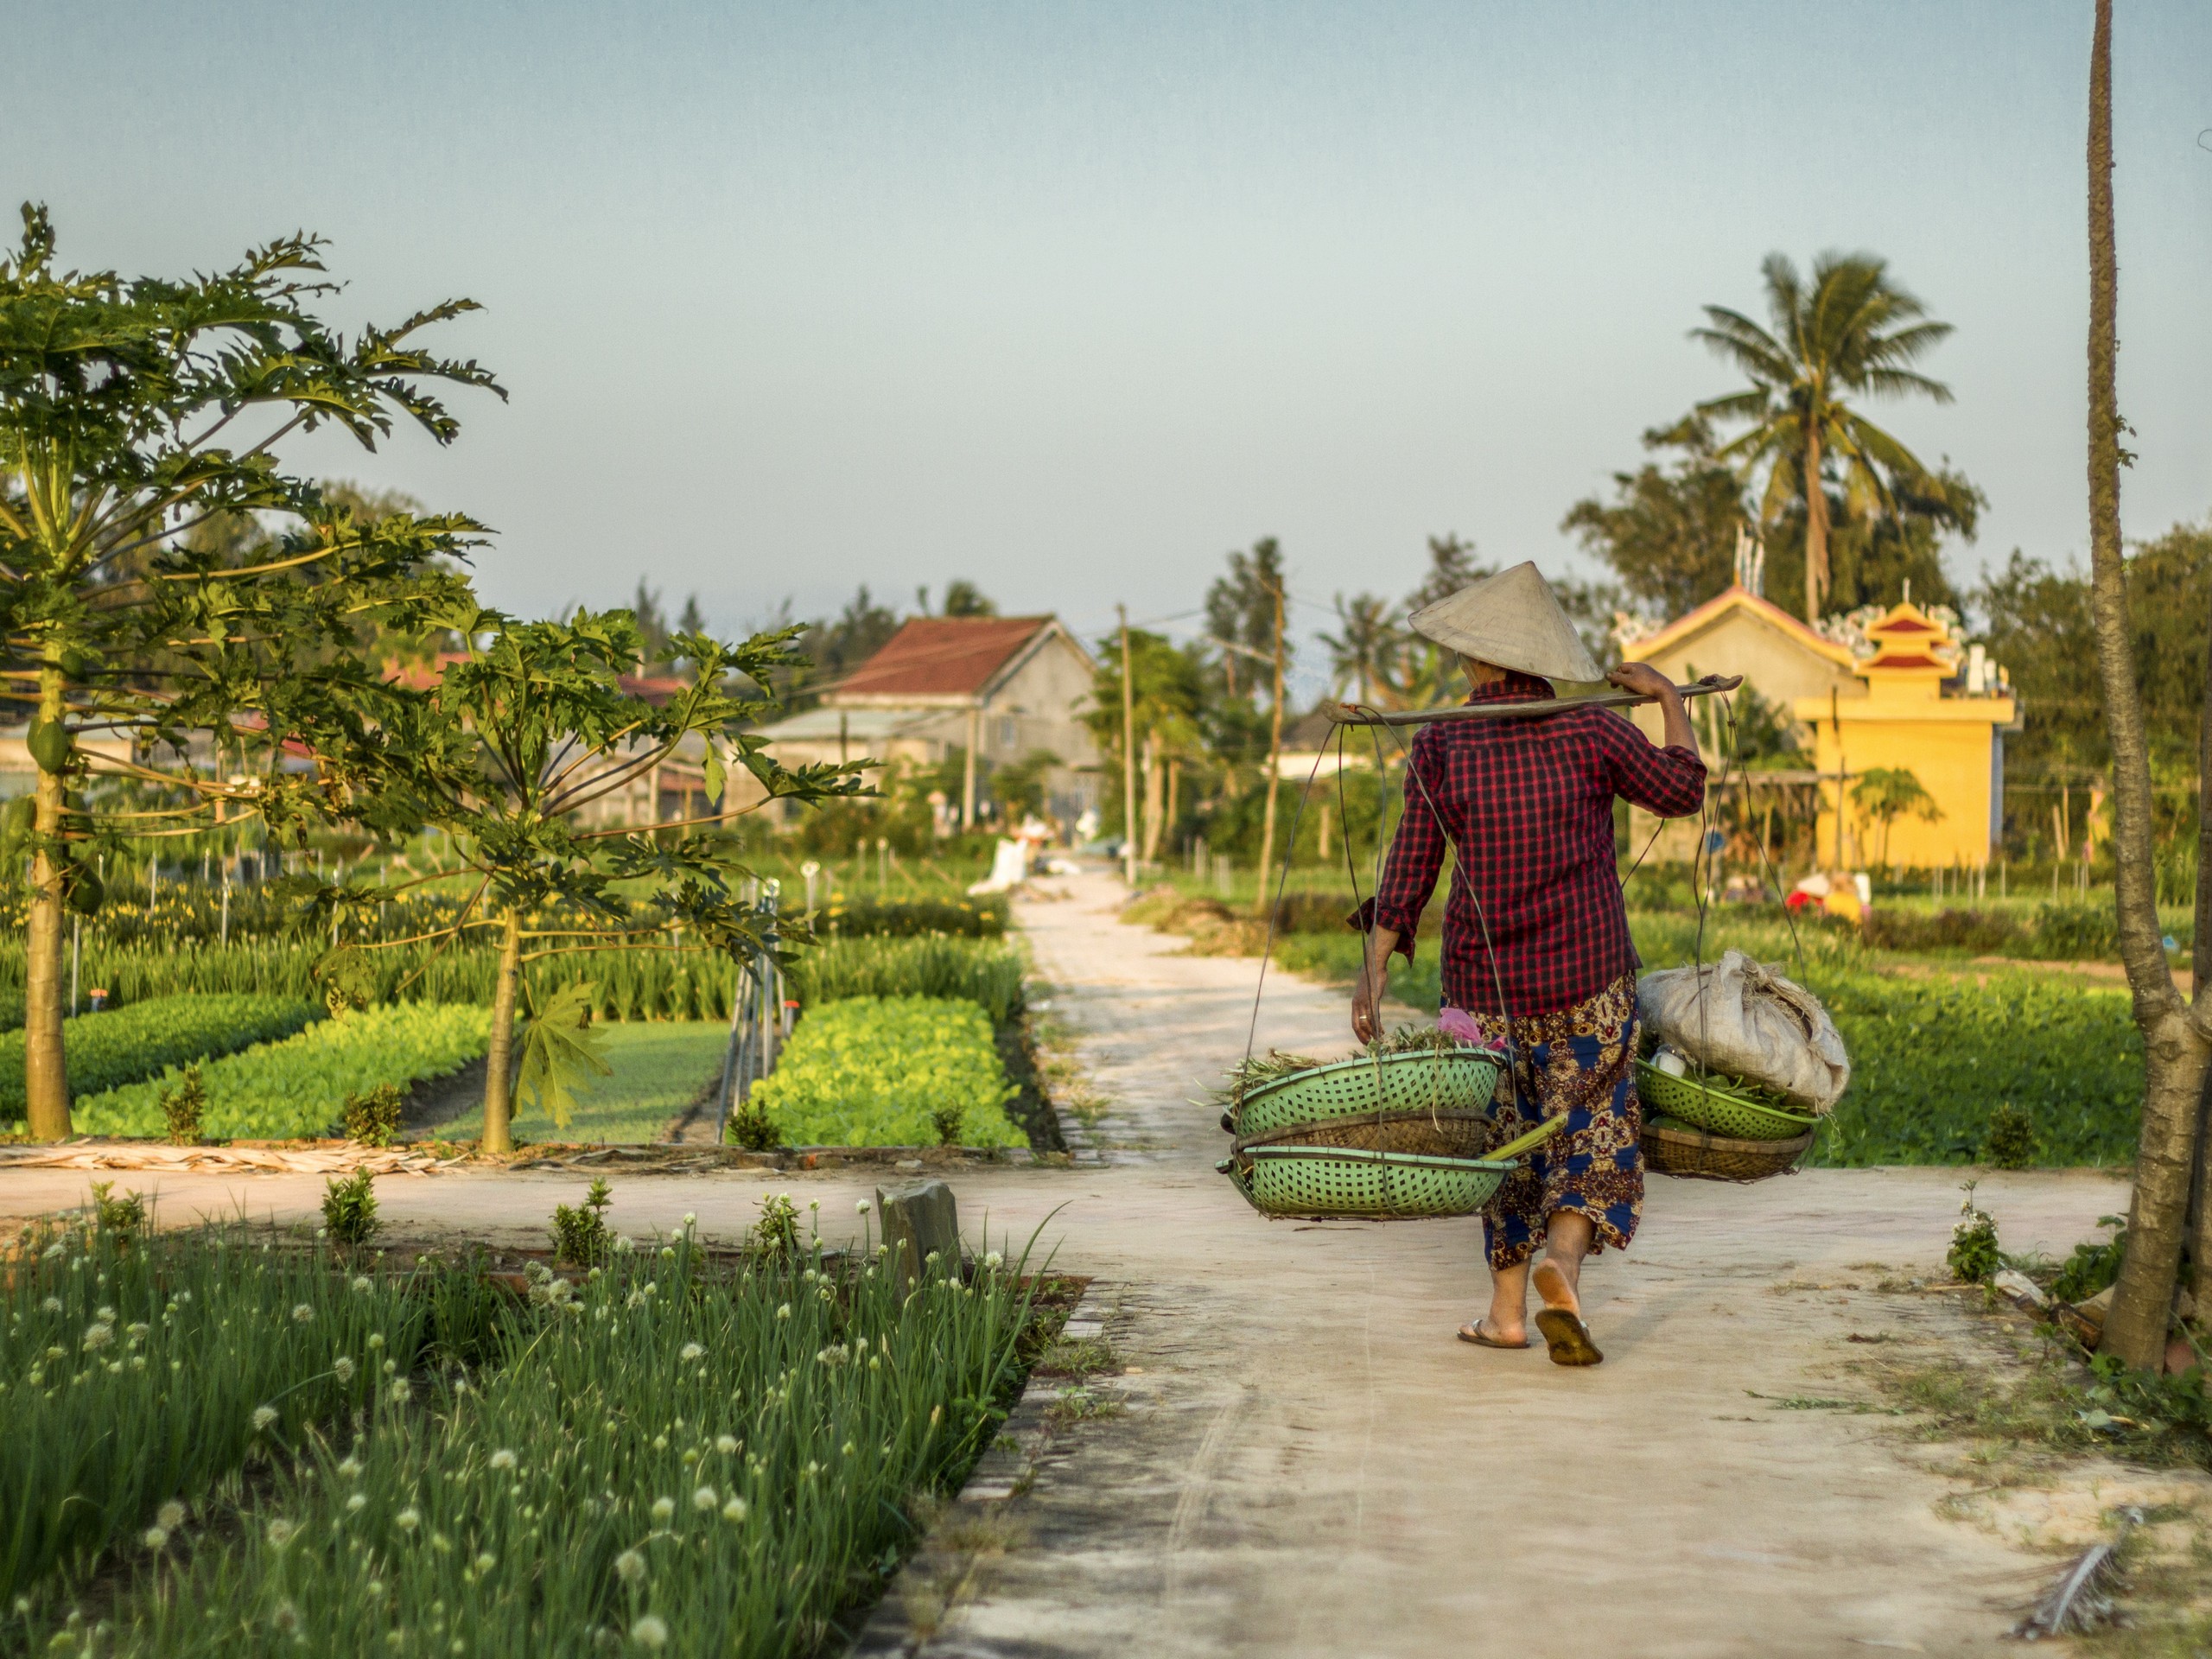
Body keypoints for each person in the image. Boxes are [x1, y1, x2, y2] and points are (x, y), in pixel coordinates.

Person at [1349, 563, 1707, 1366]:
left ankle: (1508, 1313)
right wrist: (1671, 700)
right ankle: (1564, 1266)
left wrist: (1372, 968)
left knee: (1504, 1142)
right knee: (1595, 1126)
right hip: (1587, 977)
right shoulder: (1592, 728)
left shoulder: (1442, 741)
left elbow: (1410, 867)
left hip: (1483, 992)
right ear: (1540, 657)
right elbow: (1681, 790)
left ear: (1478, 662)